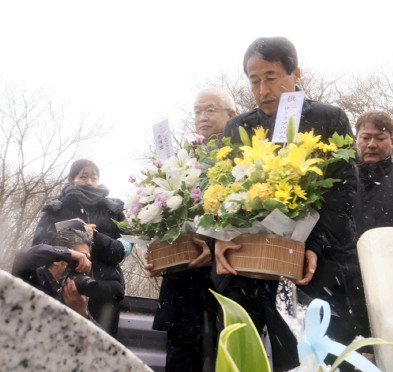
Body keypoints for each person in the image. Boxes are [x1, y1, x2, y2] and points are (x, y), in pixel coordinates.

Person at [218, 36, 364, 371]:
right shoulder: (239, 127)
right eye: (254, 81)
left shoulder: (328, 119)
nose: (262, 89)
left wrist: (314, 244)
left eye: (271, 77)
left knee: (305, 360)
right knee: (241, 357)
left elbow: (342, 192)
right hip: (248, 266)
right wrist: (220, 238)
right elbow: (221, 193)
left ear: (295, 73)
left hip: (310, 270)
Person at [146, 88, 236, 372]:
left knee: (226, 358)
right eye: (197, 111)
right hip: (182, 281)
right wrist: (157, 251)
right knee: (181, 361)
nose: (202, 117)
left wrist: (212, 242)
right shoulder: (179, 161)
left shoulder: (242, 158)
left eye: (210, 110)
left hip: (226, 277)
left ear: (231, 115)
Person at [32, 159, 130, 336]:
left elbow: (120, 251)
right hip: (61, 290)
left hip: (105, 293)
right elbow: (39, 245)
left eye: (94, 177)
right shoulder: (55, 208)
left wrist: (96, 238)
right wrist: (75, 235)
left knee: (102, 349)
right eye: (83, 176)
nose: (90, 181)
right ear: (71, 179)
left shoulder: (113, 210)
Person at [12, 228, 93, 320]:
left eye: (88, 260)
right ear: (57, 260)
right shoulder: (32, 276)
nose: (86, 264)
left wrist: (83, 314)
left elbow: (98, 334)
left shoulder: (75, 295)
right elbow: (22, 256)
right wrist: (67, 252)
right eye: (80, 259)